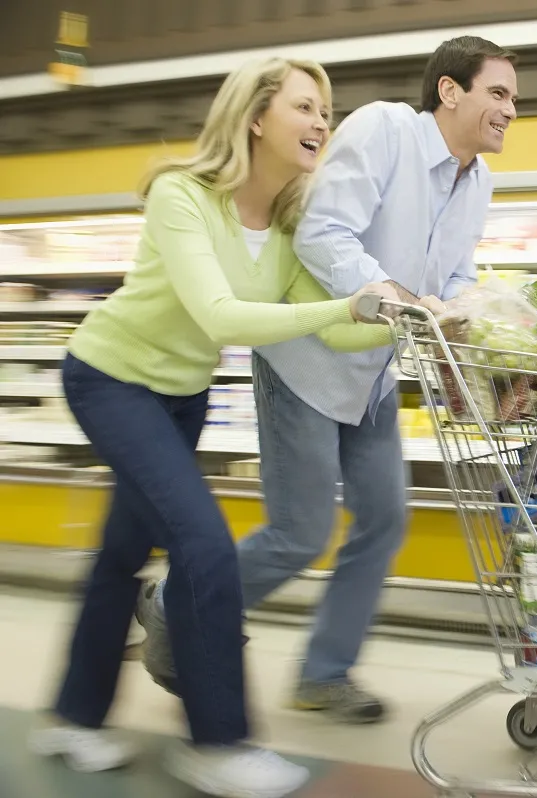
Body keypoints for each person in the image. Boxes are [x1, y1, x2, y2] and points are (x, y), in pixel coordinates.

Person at [28, 57, 396, 798]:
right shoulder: (181, 196)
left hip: (181, 396)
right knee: (202, 545)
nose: (322, 121)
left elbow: (334, 335)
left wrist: (406, 317)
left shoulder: (287, 228)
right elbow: (221, 316)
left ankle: (73, 717)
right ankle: (218, 741)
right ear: (255, 117)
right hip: (109, 379)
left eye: (326, 108)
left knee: (120, 554)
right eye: (305, 106)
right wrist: (345, 305)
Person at [136, 35, 519, 724]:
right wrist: (402, 298)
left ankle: (324, 673)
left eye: (513, 97)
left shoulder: (479, 181)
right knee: (301, 532)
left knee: (383, 519)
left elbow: (454, 276)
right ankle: (173, 603)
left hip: (372, 375)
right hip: (307, 360)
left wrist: (469, 315)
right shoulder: (383, 130)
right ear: (450, 91)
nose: (511, 109)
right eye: (499, 92)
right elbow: (323, 234)